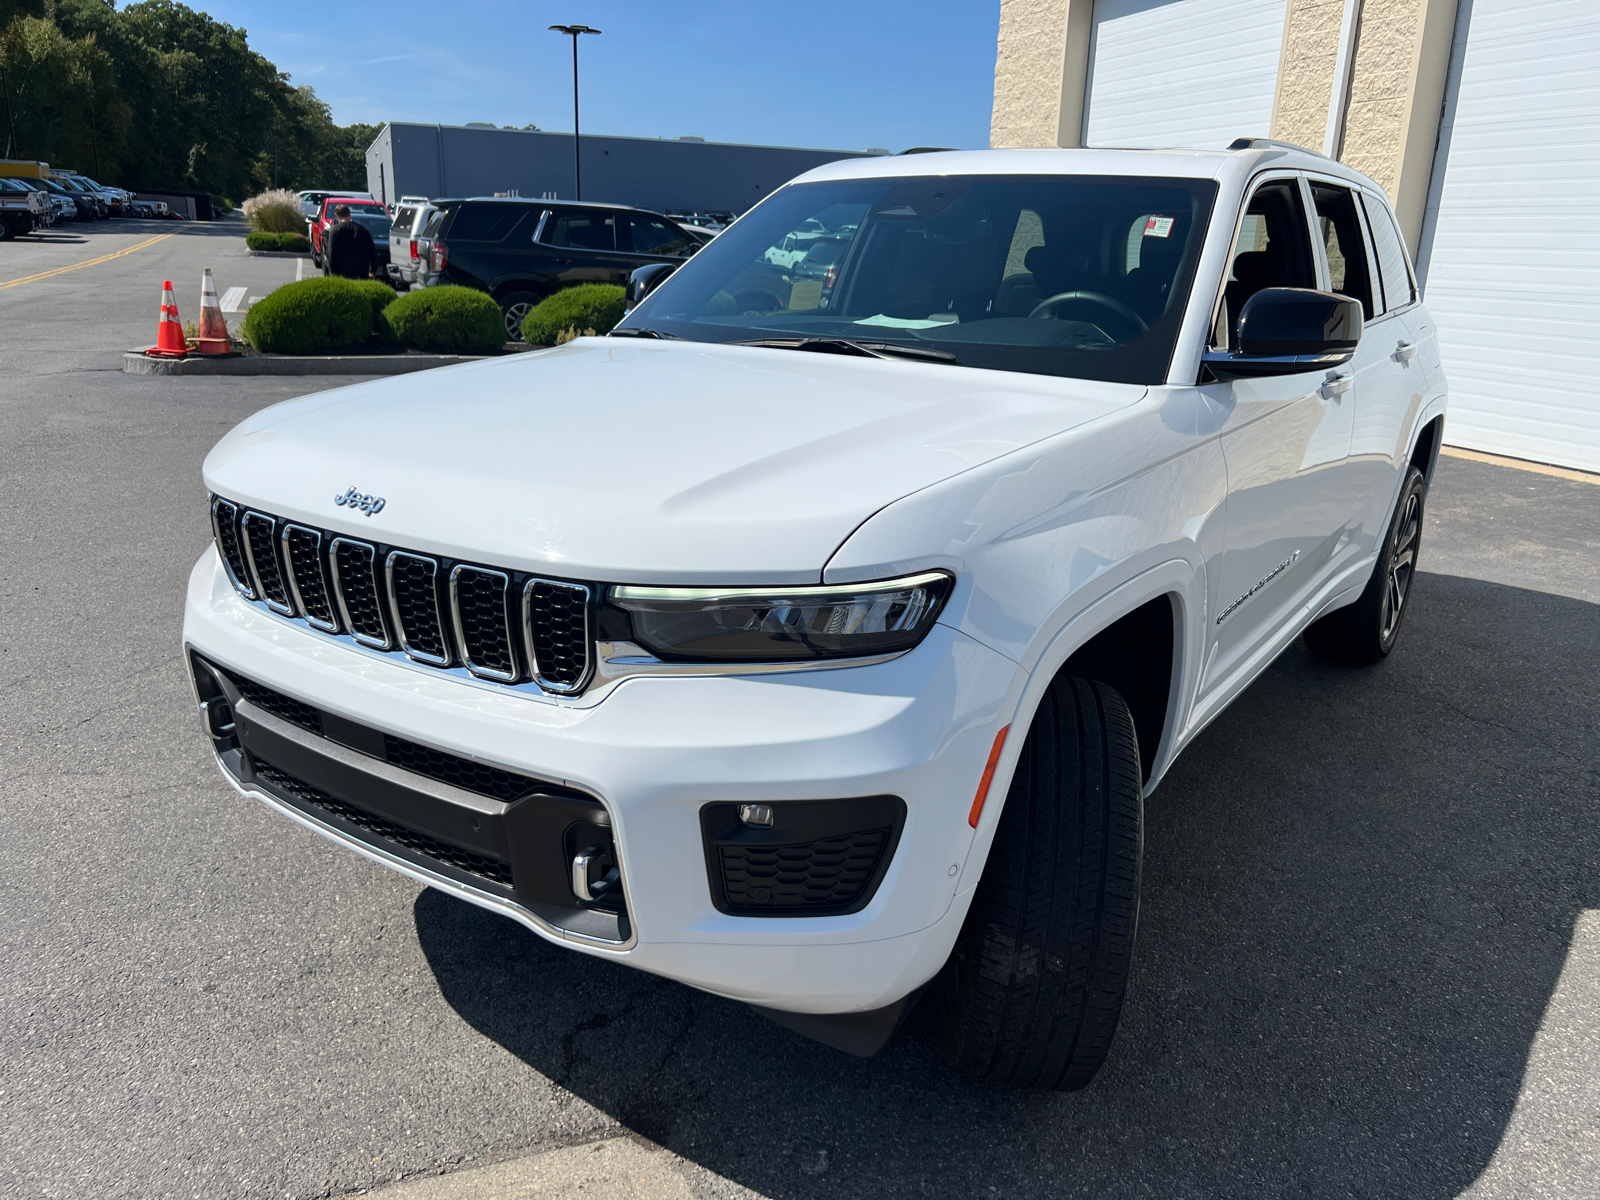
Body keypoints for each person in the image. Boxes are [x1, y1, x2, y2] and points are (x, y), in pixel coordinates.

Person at [327, 205, 378, 279]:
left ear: (337, 215)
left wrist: (333, 272)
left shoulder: (334, 231)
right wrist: (373, 270)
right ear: (349, 214)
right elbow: (372, 252)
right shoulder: (362, 230)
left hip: (341, 273)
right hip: (361, 273)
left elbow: (331, 253)